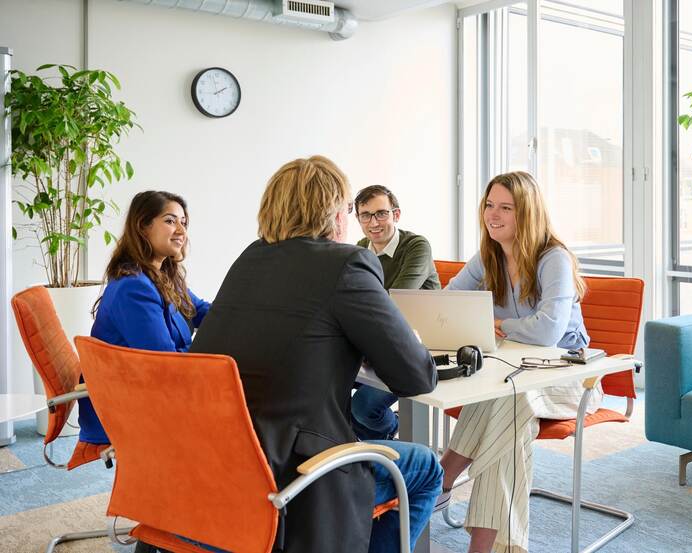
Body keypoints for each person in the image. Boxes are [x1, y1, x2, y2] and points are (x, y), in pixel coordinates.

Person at [189, 156, 443, 553]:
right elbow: (416, 377)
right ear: (334, 214)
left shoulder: (249, 259)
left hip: (219, 460)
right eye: (347, 210)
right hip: (293, 474)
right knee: (425, 468)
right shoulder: (347, 263)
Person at [439, 171, 600, 553]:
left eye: (505, 208)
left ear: (526, 213)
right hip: (517, 376)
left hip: (574, 379)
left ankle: (444, 475)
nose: (493, 215)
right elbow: (448, 301)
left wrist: (496, 324)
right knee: (509, 404)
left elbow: (547, 332)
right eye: (489, 205)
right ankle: (494, 546)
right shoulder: (488, 255)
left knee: (511, 400)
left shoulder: (553, 258)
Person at [79, 190, 210, 446]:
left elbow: (203, 311)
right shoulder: (133, 287)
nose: (181, 231)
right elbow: (163, 363)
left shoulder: (166, 277)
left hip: (150, 392)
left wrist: (242, 313)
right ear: (143, 226)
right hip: (129, 403)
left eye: (184, 222)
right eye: (170, 221)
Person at [351, 184, 440, 441]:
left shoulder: (416, 246)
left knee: (364, 408)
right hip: (377, 344)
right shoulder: (359, 248)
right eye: (365, 215)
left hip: (418, 348)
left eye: (381, 213)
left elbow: (394, 302)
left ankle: (390, 433)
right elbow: (352, 301)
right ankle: (372, 454)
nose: (373, 222)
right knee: (329, 393)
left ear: (396, 215)